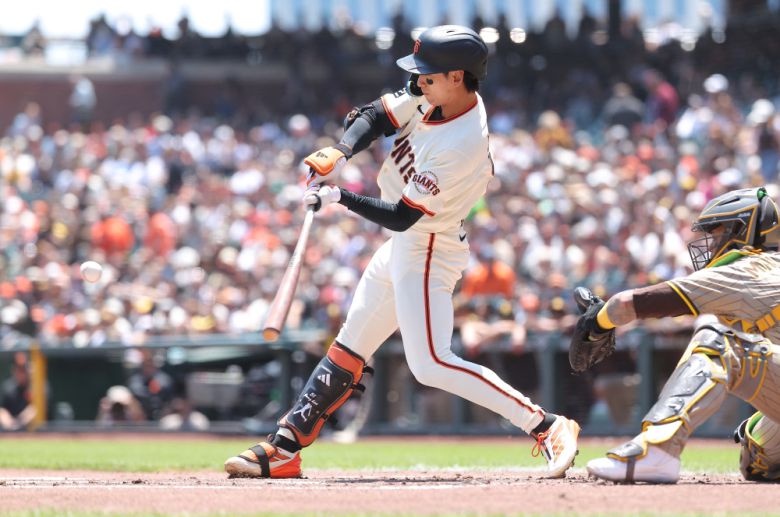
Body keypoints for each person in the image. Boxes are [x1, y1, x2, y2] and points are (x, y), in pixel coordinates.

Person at [224, 25, 580, 479]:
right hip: (406, 245)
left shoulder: (462, 142)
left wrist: (339, 197)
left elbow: (402, 216)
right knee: (350, 344)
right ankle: (285, 447)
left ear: (457, 76)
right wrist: (341, 151)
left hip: (429, 245)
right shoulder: (437, 92)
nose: (418, 81)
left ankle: (546, 425)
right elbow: (377, 115)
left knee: (430, 363)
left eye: (428, 74)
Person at [571, 186, 780, 483]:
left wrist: (599, 320)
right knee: (758, 454)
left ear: (741, 231)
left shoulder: (749, 268)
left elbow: (627, 304)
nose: (710, 244)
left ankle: (658, 450)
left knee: (717, 340)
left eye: (717, 234)